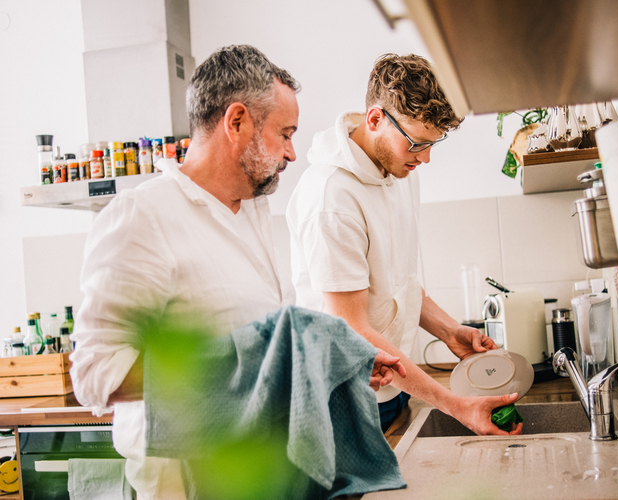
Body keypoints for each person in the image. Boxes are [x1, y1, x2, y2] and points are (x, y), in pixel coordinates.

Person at [70, 45, 404, 500]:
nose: (291, 153)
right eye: (285, 133)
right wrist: (243, 366)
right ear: (237, 121)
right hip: (185, 483)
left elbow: (264, 344)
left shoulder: (252, 212)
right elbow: (94, 375)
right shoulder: (141, 218)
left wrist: (323, 362)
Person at [287, 54, 524, 436]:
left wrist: (450, 332)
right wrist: (456, 406)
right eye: (416, 144)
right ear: (376, 119)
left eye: (434, 143)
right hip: (338, 404)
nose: (426, 158)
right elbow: (353, 327)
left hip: (392, 388)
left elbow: (398, 286)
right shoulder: (331, 196)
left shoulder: (400, 173)